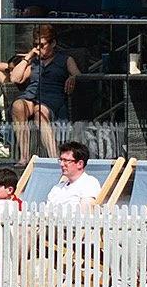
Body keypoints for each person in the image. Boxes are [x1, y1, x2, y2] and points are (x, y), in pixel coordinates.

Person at [6, 24, 79, 162]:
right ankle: (24, 157)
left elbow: (79, 76)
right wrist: (29, 56)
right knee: (18, 106)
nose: (38, 48)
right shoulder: (34, 62)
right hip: (31, 95)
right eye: (35, 45)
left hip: (53, 96)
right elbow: (15, 78)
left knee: (40, 111)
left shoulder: (64, 60)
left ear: (53, 43)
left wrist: (72, 77)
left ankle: (53, 156)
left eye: (42, 45)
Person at [44, 141, 100, 208]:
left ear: (80, 164)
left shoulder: (89, 183)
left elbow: (85, 212)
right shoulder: (57, 188)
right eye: (61, 160)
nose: (61, 164)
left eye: (66, 160)